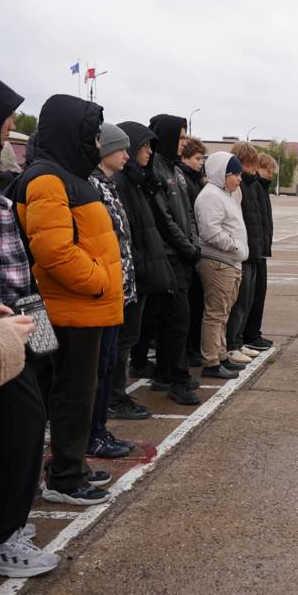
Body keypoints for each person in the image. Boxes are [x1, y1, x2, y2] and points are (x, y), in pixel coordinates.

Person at [15, 94, 123, 504]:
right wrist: (99, 282)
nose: (97, 145)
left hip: (75, 307)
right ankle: (64, 477)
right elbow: (54, 251)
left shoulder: (67, 174)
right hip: (64, 307)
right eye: (92, 136)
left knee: (69, 392)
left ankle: (67, 463)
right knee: (69, 393)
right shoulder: (47, 180)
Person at [0, 73, 60, 576]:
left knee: (22, 423)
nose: (12, 123)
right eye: (5, 114)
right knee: (18, 425)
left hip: (11, 311)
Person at [111, 121, 174, 420]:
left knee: (129, 338)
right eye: (145, 146)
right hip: (132, 276)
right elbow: (126, 236)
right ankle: (114, 397)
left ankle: (115, 394)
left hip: (141, 275)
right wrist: (139, 267)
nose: (149, 152)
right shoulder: (122, 184)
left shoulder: (138, 182)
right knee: (123, 340)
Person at [85, 123, 138, 458]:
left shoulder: (109, 185)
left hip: (118, 290)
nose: (127, 155)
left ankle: (100, 429)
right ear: (106, 151)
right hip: (102, 291)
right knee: (98, 370)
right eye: (122, 149)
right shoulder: (92, 186)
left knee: (107, 367)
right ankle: (94, 433)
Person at [147, 114, 201, 406]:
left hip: (183, 256)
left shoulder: (176, 172)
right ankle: (177, 379)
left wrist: (193, 243)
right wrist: (187, 248)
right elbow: (164, 220)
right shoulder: (155, 170)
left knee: (178, 319)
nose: (183, 143)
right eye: (179, 138)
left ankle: (166, 373)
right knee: (176, 319)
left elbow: (188, 215)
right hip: (168, 257)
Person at [195, 152, 248, 379]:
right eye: (234, 174)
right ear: (220, 174)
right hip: (218, 262)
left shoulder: (227, 194)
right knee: (215, 313)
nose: (239, 178)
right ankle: (211, 362)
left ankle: (221, 354)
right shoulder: (211, 196)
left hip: (229, 263)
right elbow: (210, 231)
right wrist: (234, 247)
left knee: (223, 312)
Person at [226, 142, 262, 365]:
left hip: (252, 251)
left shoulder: (251, 186)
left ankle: (238, 341)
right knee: (237, 303)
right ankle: (231, 344)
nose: (254, 169)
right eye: (251, 164)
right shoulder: (238, 189)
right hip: (242, 253)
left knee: (246, 302)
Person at [178, 136, 207, 367]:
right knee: (188, 305)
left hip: (196, 248)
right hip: (188, 250)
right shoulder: (183, 180)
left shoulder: (197, 180)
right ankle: (188, 349)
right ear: (185, 157)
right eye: (197, 158)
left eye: (202, 159)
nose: (201, 163)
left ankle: (192, 348)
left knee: (197, 303)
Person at [243, 152, 276, 353]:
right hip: (253, 250)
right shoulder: (254, 187)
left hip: (260, 248)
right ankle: (250, 335)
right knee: (251, 297)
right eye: (268, 169)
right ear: (259, 167)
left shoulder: (261, 188)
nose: (271, 173)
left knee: (258, 294)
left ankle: (255, 333)